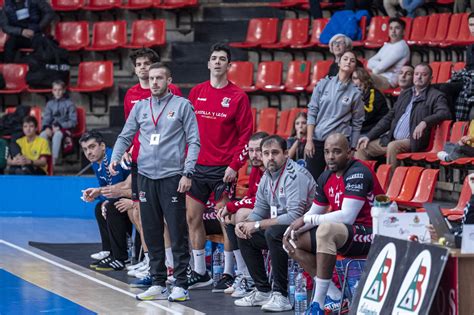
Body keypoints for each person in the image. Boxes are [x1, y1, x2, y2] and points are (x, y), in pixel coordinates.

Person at [110, 63, 200, 302]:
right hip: (145, 177)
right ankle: (158, 282)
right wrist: (115, 157)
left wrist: (187, 173)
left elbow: (194, 141)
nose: (155, 83)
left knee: (178, 232)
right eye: (151, 79)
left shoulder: (182, 106)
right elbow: (125, 135)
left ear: (169, 80)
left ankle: (181, 283)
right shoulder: (140, 107)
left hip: (172, 178)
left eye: (160, 78)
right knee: (150, 232)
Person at [284, 133, 384, 314]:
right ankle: (335, 296)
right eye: (327, 152)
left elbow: (347, 217)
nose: (330, 156)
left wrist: (306, 220)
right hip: (346, 234)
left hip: (373, 233)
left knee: (326, 230)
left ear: (349, 153)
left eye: (337, 152)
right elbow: (315, 212)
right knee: (291, 241)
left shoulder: (358, 172)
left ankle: (317, 305)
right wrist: (294, 228)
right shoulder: (325, 176)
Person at [186, 43, 253, 289]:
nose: (217, 62)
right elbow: (188, 131)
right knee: (192, 218)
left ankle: (228, 273)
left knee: (225, 220)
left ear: (228, 65)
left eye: (222, 59)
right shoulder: (196, 92)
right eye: (213, 58)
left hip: (223, 169)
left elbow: (246, 136)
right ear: (208, 63)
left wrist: (235, 165)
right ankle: (200, 272)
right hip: (197, 168)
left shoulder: (238, 97)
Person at [121, 48, 182, 288]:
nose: (144, 68)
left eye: (148, 63)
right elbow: (131, 128)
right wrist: (127, 149)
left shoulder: (172, 92)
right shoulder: (131, 95)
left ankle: (168, 265)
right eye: (139, 64)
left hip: (167, 163)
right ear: (134, 68)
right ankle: (151, 261)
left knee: (166, 218)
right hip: (141, 161)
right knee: (140, 213)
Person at [234, 135, 316, 312]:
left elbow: (295, 216)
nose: (270, 157)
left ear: (286, 154)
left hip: (308, 229)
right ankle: (263, 290)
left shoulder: (294, 175)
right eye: (266, 153)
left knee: (272, 233)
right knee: (245, 234)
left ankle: (281, 295)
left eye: (275, 153)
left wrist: (257, 225)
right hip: (283, 228)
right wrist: (246, 224)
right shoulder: (267, 176)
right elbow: (259, 209)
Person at [355, 63, 452, 170]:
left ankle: (390, 183)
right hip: (391, 139)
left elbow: (444, 113)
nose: (419, 77)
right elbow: (389, 118)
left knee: (393, 146)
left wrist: (425, 122)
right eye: (416, 74)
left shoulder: (436, 95)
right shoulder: (405, 94)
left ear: (430, 78)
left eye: (423, 74)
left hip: (413, 141)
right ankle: (362, 182)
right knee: (362, 147)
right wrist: (369, 136)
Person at [215, 131, 268, 297]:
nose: (254, 155)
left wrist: (233, 205)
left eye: (258, 150)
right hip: (262, 214)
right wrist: (231, 207)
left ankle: (250, 278)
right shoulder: (256, 170)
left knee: (239, 216)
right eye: (250, 151)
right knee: (229, 217)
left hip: (274, 216)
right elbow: (251, 195)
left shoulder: (271, 170)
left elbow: (261, 201)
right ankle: (243, 274)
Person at [305, 50, 364, 181]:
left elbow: (357, 122)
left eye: (352, 60)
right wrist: (309, 140)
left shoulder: (356, 93)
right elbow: (312, 111)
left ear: (354, 66)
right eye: (345, 58)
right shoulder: (322, 84)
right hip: (318, 140)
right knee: (311, 181)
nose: (348, 61)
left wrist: (353, 148)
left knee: (338, 181)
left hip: (339, 143)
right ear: (339, 62)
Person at [80, 131, 132, 271]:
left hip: (133, 194)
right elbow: (106, 188)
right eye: (85, 149)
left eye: (92, 147)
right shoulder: (96, 163)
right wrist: (97, 195)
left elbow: (118, 188)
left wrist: (102, 196)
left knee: (112, 207)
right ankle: (109, 251)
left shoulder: (111, 158)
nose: (89, 152)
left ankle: (121, 257)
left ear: (102, 146)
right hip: (119, 193)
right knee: (99, 207)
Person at [40, 80, 77, 165]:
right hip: (52, 127)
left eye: (60, 90)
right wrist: (47, 127)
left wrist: (60, 126)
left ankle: (54, 160)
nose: (57, 92)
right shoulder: (49, 104)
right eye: (55, 90)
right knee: (43, 134)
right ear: (52, 91)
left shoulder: (69, 104)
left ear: (64, 90)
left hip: (65, 129)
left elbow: (73, 121)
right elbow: (46, 119)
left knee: (57, 135)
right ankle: (43, 159)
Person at [367, 18, 410, 91]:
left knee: (362, 77)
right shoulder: (387, 45)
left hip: (388, 81)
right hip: (378, 77)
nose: (393, 31)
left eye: (397, 28)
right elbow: (369, 63)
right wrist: (385, 67)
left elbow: (378, 69)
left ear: (403, 32)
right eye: (391, 28)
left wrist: (381, 67)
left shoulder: (401, 46)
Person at [352, 67, 389, 135]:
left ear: (364, 80)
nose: (353, 82)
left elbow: (365, 117)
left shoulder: (374, 94)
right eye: (353, 78)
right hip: (361, 129)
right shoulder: (354, 94)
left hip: (374, 130)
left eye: (356, 78)